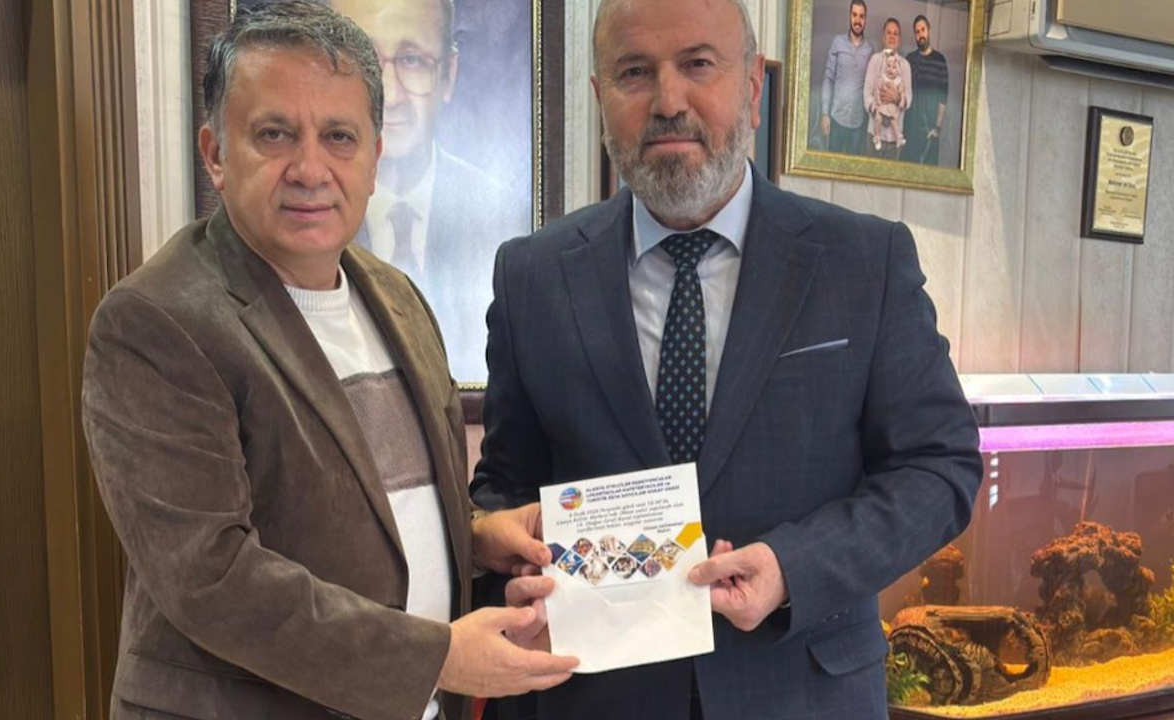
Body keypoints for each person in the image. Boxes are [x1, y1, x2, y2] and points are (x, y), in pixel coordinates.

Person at [470, 0, 982, 718]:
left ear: (752, 86)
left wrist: (793, 568)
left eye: (698, 64)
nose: (668, 101)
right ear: (599, 97)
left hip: (801, 694)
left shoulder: (864, 261)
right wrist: (496, 550)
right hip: (590, 696)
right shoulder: (532, 275)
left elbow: (939, 467)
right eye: (634, 72)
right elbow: (505, 487)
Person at [81, 4, 576, 719]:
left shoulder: (396, 297)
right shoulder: (155, 322)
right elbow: (210, 577)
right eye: (274, 134)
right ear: (215, 154)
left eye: (339, 136)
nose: (310, 169)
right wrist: (436, 657)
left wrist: (475, 536)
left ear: (374, 158)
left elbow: (372, 511)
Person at [330, 0, 527, 383]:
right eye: (365, 62)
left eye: (412, 60)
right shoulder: (304, 219)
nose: (390, 94)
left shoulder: (506, 215)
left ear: (448, 75)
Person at [820, 0, 874, 155]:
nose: (858, 20)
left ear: (865, 19)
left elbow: (870, 87)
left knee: (852, 168)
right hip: (836, 119)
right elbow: (828, 78)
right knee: (832, 165)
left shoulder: (870, 50)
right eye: (855, 15)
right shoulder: (838, 42)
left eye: (861, 16)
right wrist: (825, 113)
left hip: (858, 124)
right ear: (850, 16)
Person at [863, 17, 912, 160]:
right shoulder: (875, 60)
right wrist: (879, 111)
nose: (892, 36)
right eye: (889, 33)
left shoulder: (905, 65)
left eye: (895, 33)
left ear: (899, 39)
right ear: (883, 38)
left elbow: (909, 98)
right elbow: (867, 93)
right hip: (873, 133)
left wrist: (896, 98)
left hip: (894, 138)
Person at [903, 14, 949, 165]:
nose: (920, 35)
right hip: (910, 130)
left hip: (930, 130)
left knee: (928, 174)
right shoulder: (909, 59)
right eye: (917, 32)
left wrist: (937, 128)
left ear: (929, 30)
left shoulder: (940, 60)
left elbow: (943, 98)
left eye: (923, 30)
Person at [869, 48, 907, 153]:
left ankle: (898, 137)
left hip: (892, 107)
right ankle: (877, 137)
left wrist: (901, 101)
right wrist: (878, 101)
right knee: (878, 118)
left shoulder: (899, 81)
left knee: (894, 121)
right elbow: (877, 89)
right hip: (882, 105)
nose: (890, 69)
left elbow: (903, 93)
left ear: (898, 70)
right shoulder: (883, 78)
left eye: (894, 67)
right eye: (888, 66)